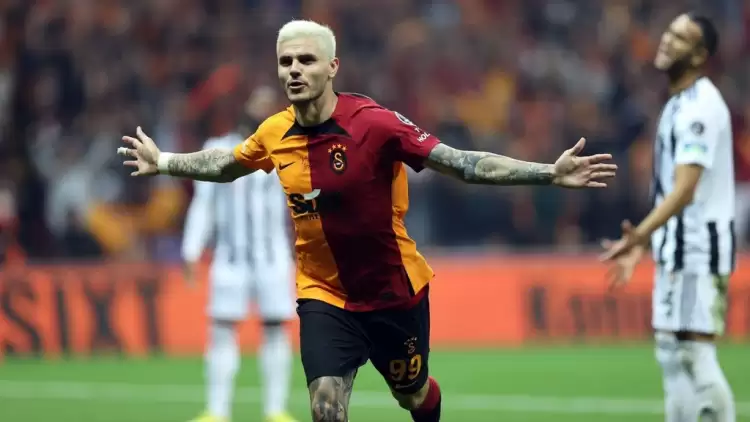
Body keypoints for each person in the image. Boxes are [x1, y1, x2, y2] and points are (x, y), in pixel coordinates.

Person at [118, 19, 617, 422]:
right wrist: (165, 162)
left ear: (332, 67)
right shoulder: (273, 132)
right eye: (286, 62)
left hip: (392, 293)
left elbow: (462, 163)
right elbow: (226, 165)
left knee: (413, 394)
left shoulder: (374, 124)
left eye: (306, 60)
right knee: (325, 407)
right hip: (324, 294)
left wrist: (548, 173)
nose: (294, 70)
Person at [600, 13, 735, 422]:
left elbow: (685, 187)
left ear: (699, 55)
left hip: (698, 247)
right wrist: (651, 242)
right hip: (677, 247)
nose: (667, 40)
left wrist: (640, 235)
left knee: (693, 351)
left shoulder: (700, 107)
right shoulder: (677, 103)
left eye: (680, 37)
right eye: (669, 32)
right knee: (671, 352)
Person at [181, 90, 297, 422]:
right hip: (230, 257)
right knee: (221, 329)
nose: (260, 111)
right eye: (255, 104)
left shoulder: (285, 149)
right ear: (242, 109)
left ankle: (275, 410)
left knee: (275, 329)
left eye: (266, 106)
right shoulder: (218, 148)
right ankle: (216, 411)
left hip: (272, 257)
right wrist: (191, 249)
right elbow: (203, 204)